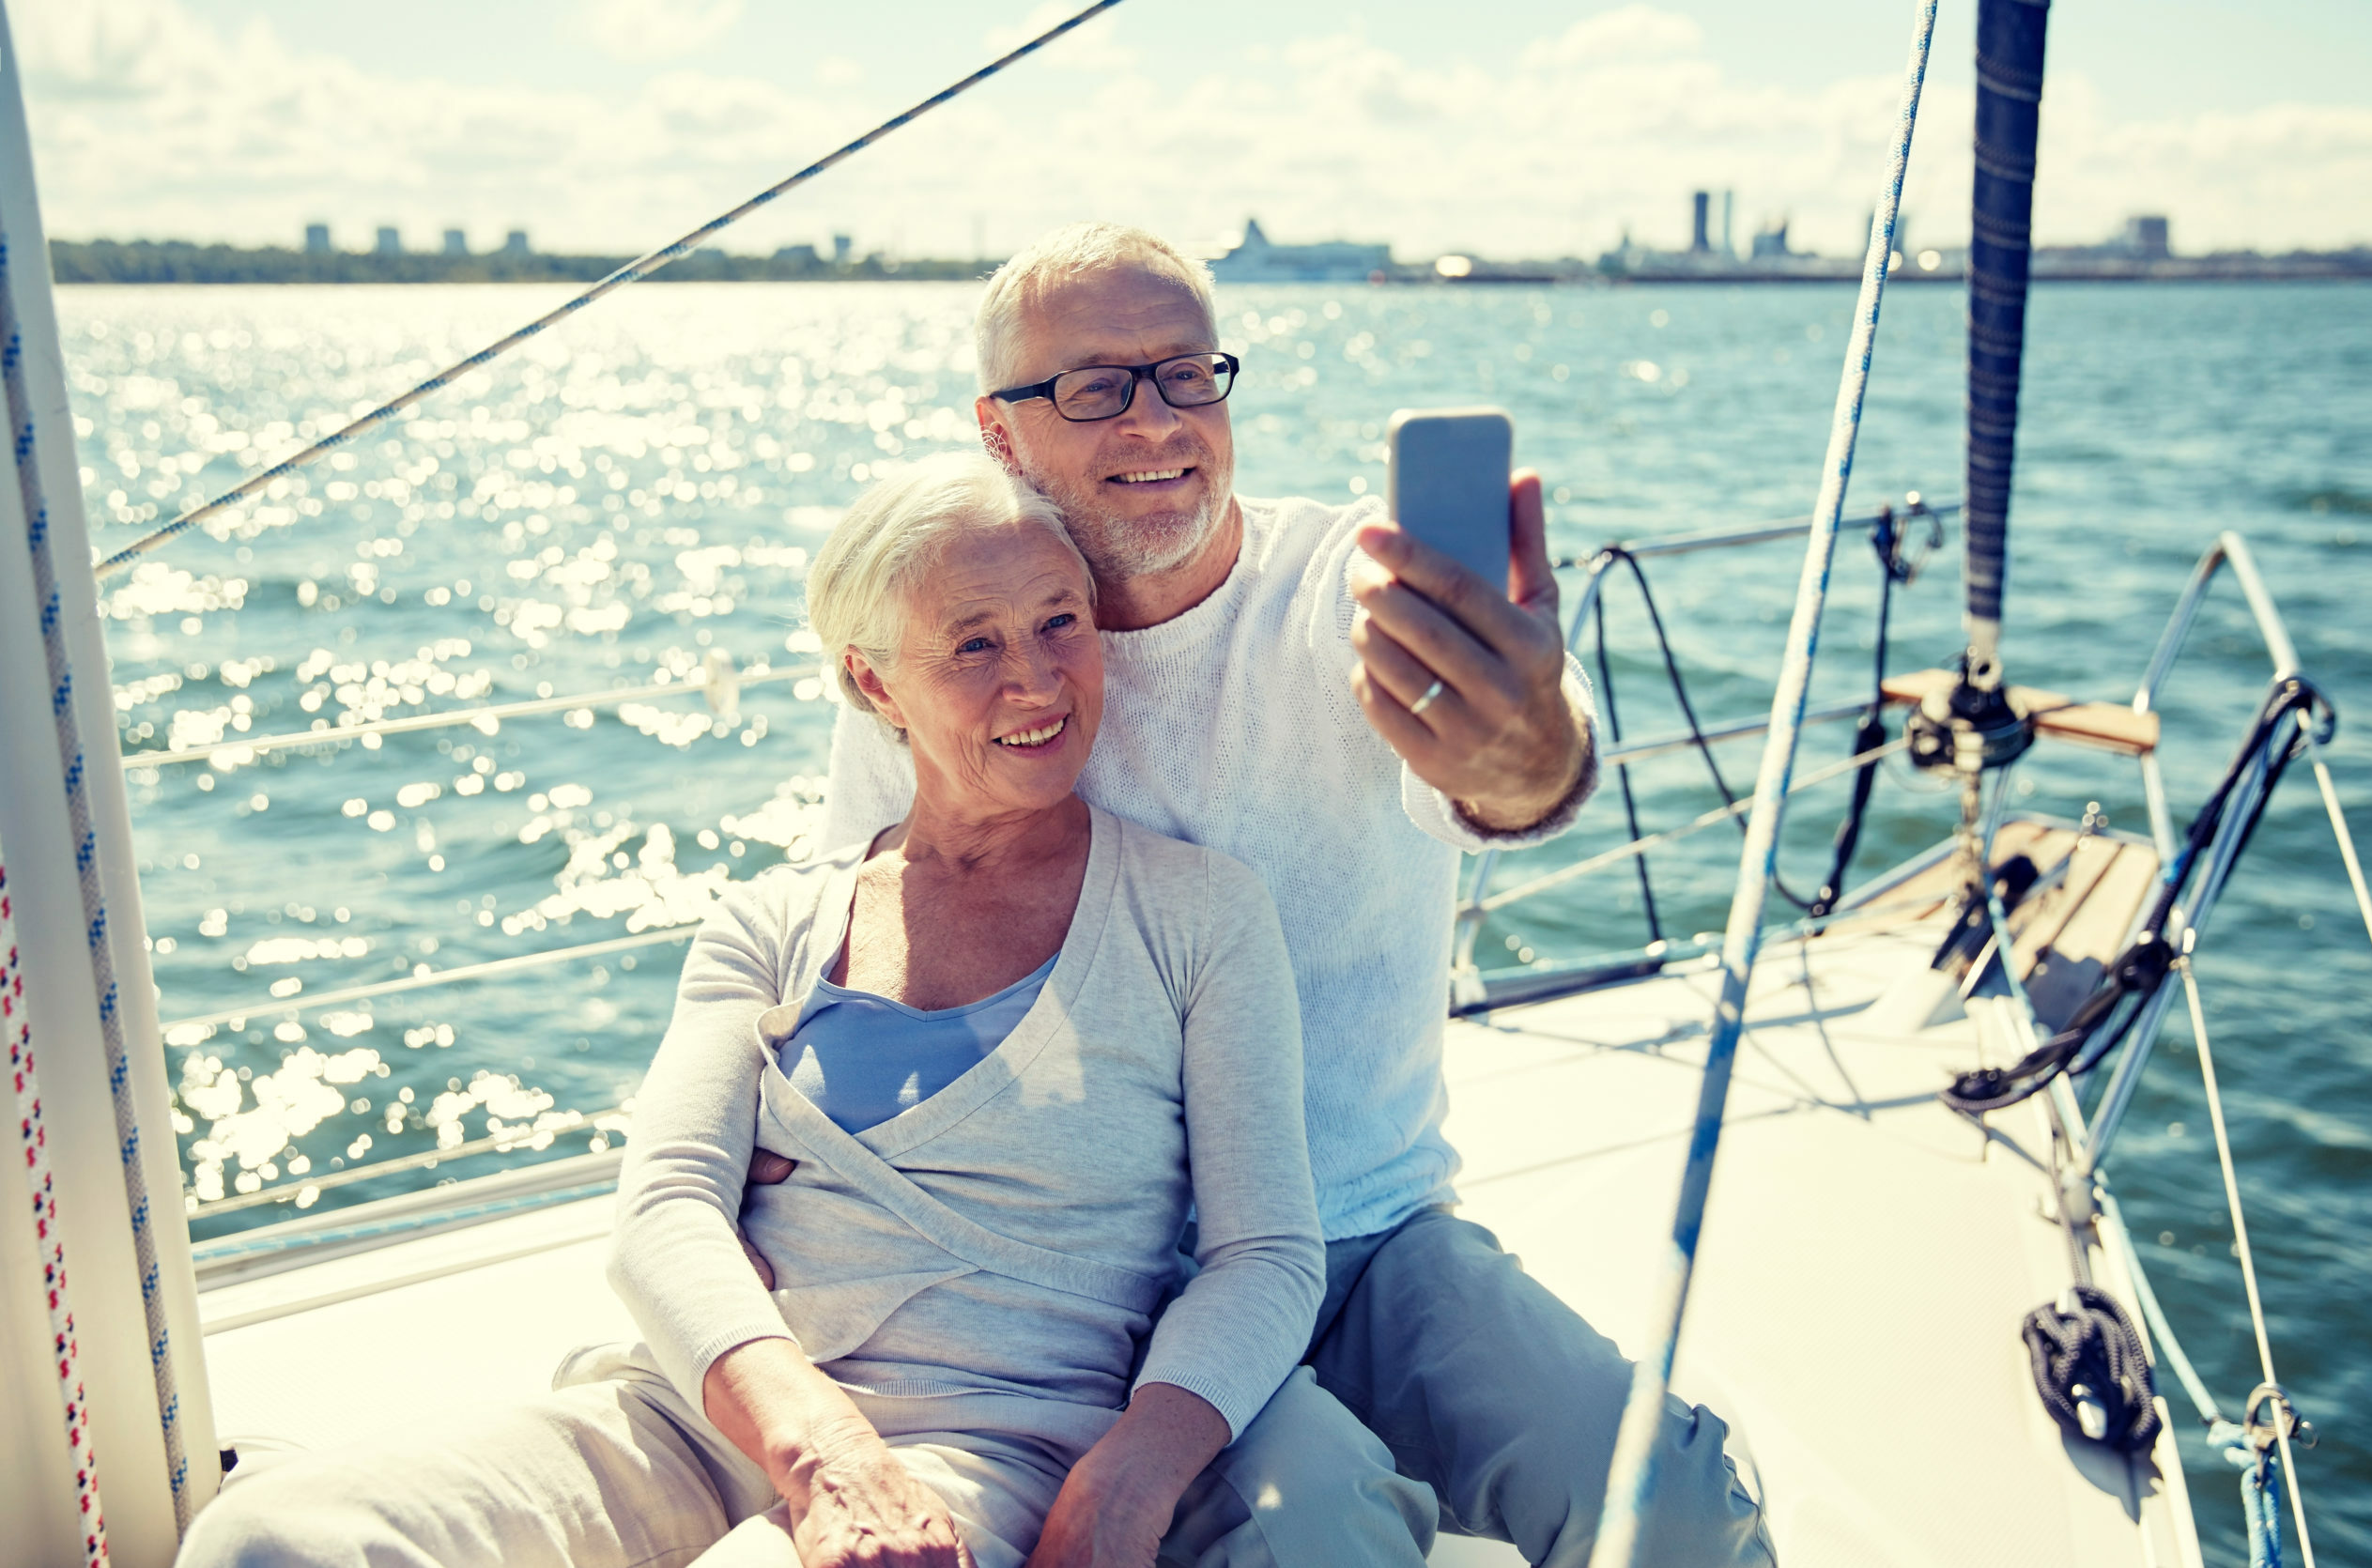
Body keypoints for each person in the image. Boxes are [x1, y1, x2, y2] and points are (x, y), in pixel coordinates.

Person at [790, 223, 1775, 1567]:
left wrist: (1524, 746)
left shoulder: (1350, 595)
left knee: (1672, 1500)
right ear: (1001, 434)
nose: (1157, 419)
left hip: (1368, 1226)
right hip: (1096, 1272)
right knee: (1312, 1526)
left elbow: (1519, 777)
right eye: (1095, 386)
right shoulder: (953, 651)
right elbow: (867, 933)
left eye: (1188, 373)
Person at [177, 453, 1325, 1568]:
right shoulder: (770, 918)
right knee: (264, 1536)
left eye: (1060, 622)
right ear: (875, 682)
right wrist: (821, 1451)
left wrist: (1131, 1474)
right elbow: (666, 1206)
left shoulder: (1200, 913)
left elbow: (1265, 1252)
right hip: (711, 1416)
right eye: (973, 643)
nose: (1034, 678)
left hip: (991, 1441)